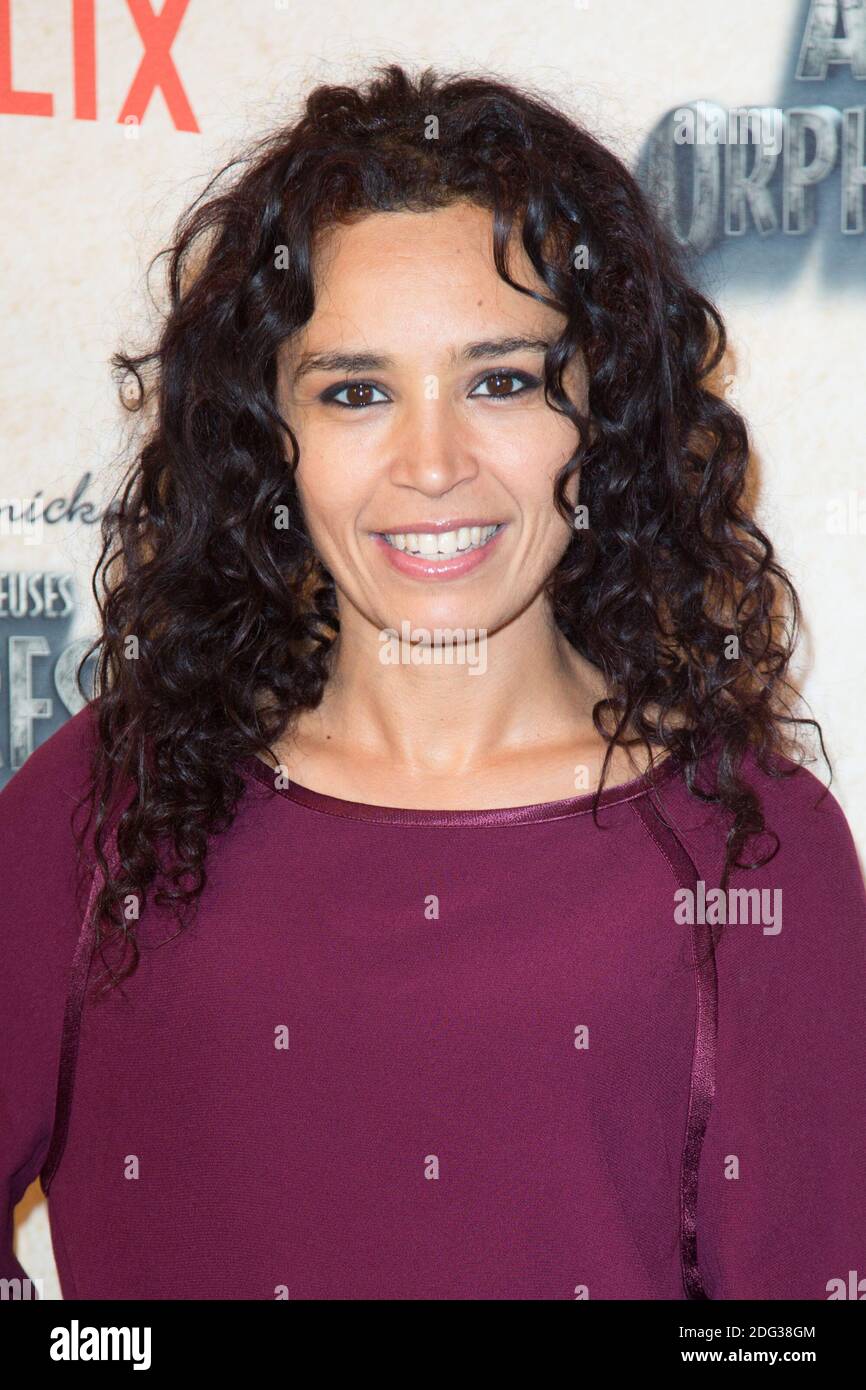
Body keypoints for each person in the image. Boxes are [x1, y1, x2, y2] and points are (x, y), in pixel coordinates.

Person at [2, 64, 864, 1302]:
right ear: (267, 438)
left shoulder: (751, 848)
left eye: (500, 380)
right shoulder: (106, 801)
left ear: (602, 414)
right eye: (356, 392)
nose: (431, 463)